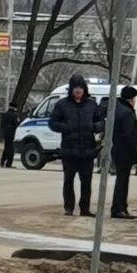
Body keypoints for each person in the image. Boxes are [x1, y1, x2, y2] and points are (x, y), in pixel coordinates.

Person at [48, 73, 102, 216]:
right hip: (69, 150)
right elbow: (52, 123)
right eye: (75, 88)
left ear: (84, 89)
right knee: (68, 181)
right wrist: (66, 127)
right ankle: (69, 207)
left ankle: (85, 208)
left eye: (80, 88)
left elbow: (100, 121)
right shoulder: (62, 105)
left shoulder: (92, 105)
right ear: (71, 89)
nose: (78, 91)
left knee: (86, 182)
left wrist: (95, 126)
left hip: (88, 150)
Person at [110, 85, 137, 220]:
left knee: (121, 179)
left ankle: (120, 207)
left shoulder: (116, 108)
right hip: (125, 151)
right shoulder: (127, 112)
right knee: (123, 180)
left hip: (117, 148)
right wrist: (135, 152)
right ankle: (119, 208)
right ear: (131, 99)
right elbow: (129, 135)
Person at [0, 102, 20, 168]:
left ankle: (2, 162)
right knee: (11, 149)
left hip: (5, 133)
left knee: (6, 148)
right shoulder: (14, 115)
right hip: (11, 133)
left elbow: (2, 125)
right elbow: (16, 125)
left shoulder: (4, 114)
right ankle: (8, 163)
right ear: (15, 108)